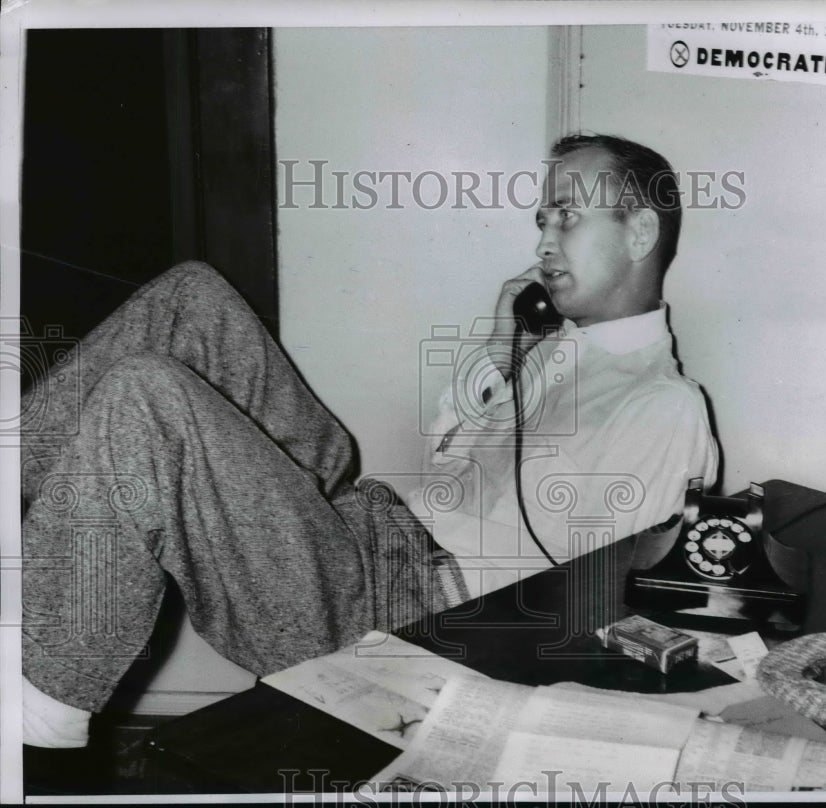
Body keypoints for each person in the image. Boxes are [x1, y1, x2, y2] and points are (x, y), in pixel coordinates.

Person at [19, 134, 717, 781]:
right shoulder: (553, 349)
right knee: (193, 298)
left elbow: (602, 609)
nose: (543, 243)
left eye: (566, 217)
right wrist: (497, 355)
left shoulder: (662, 406)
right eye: (541, 221)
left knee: (147, 397)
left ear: (640, 232)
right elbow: (447, 465)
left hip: (404, 606)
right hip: (368, 522)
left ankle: (38, 717)